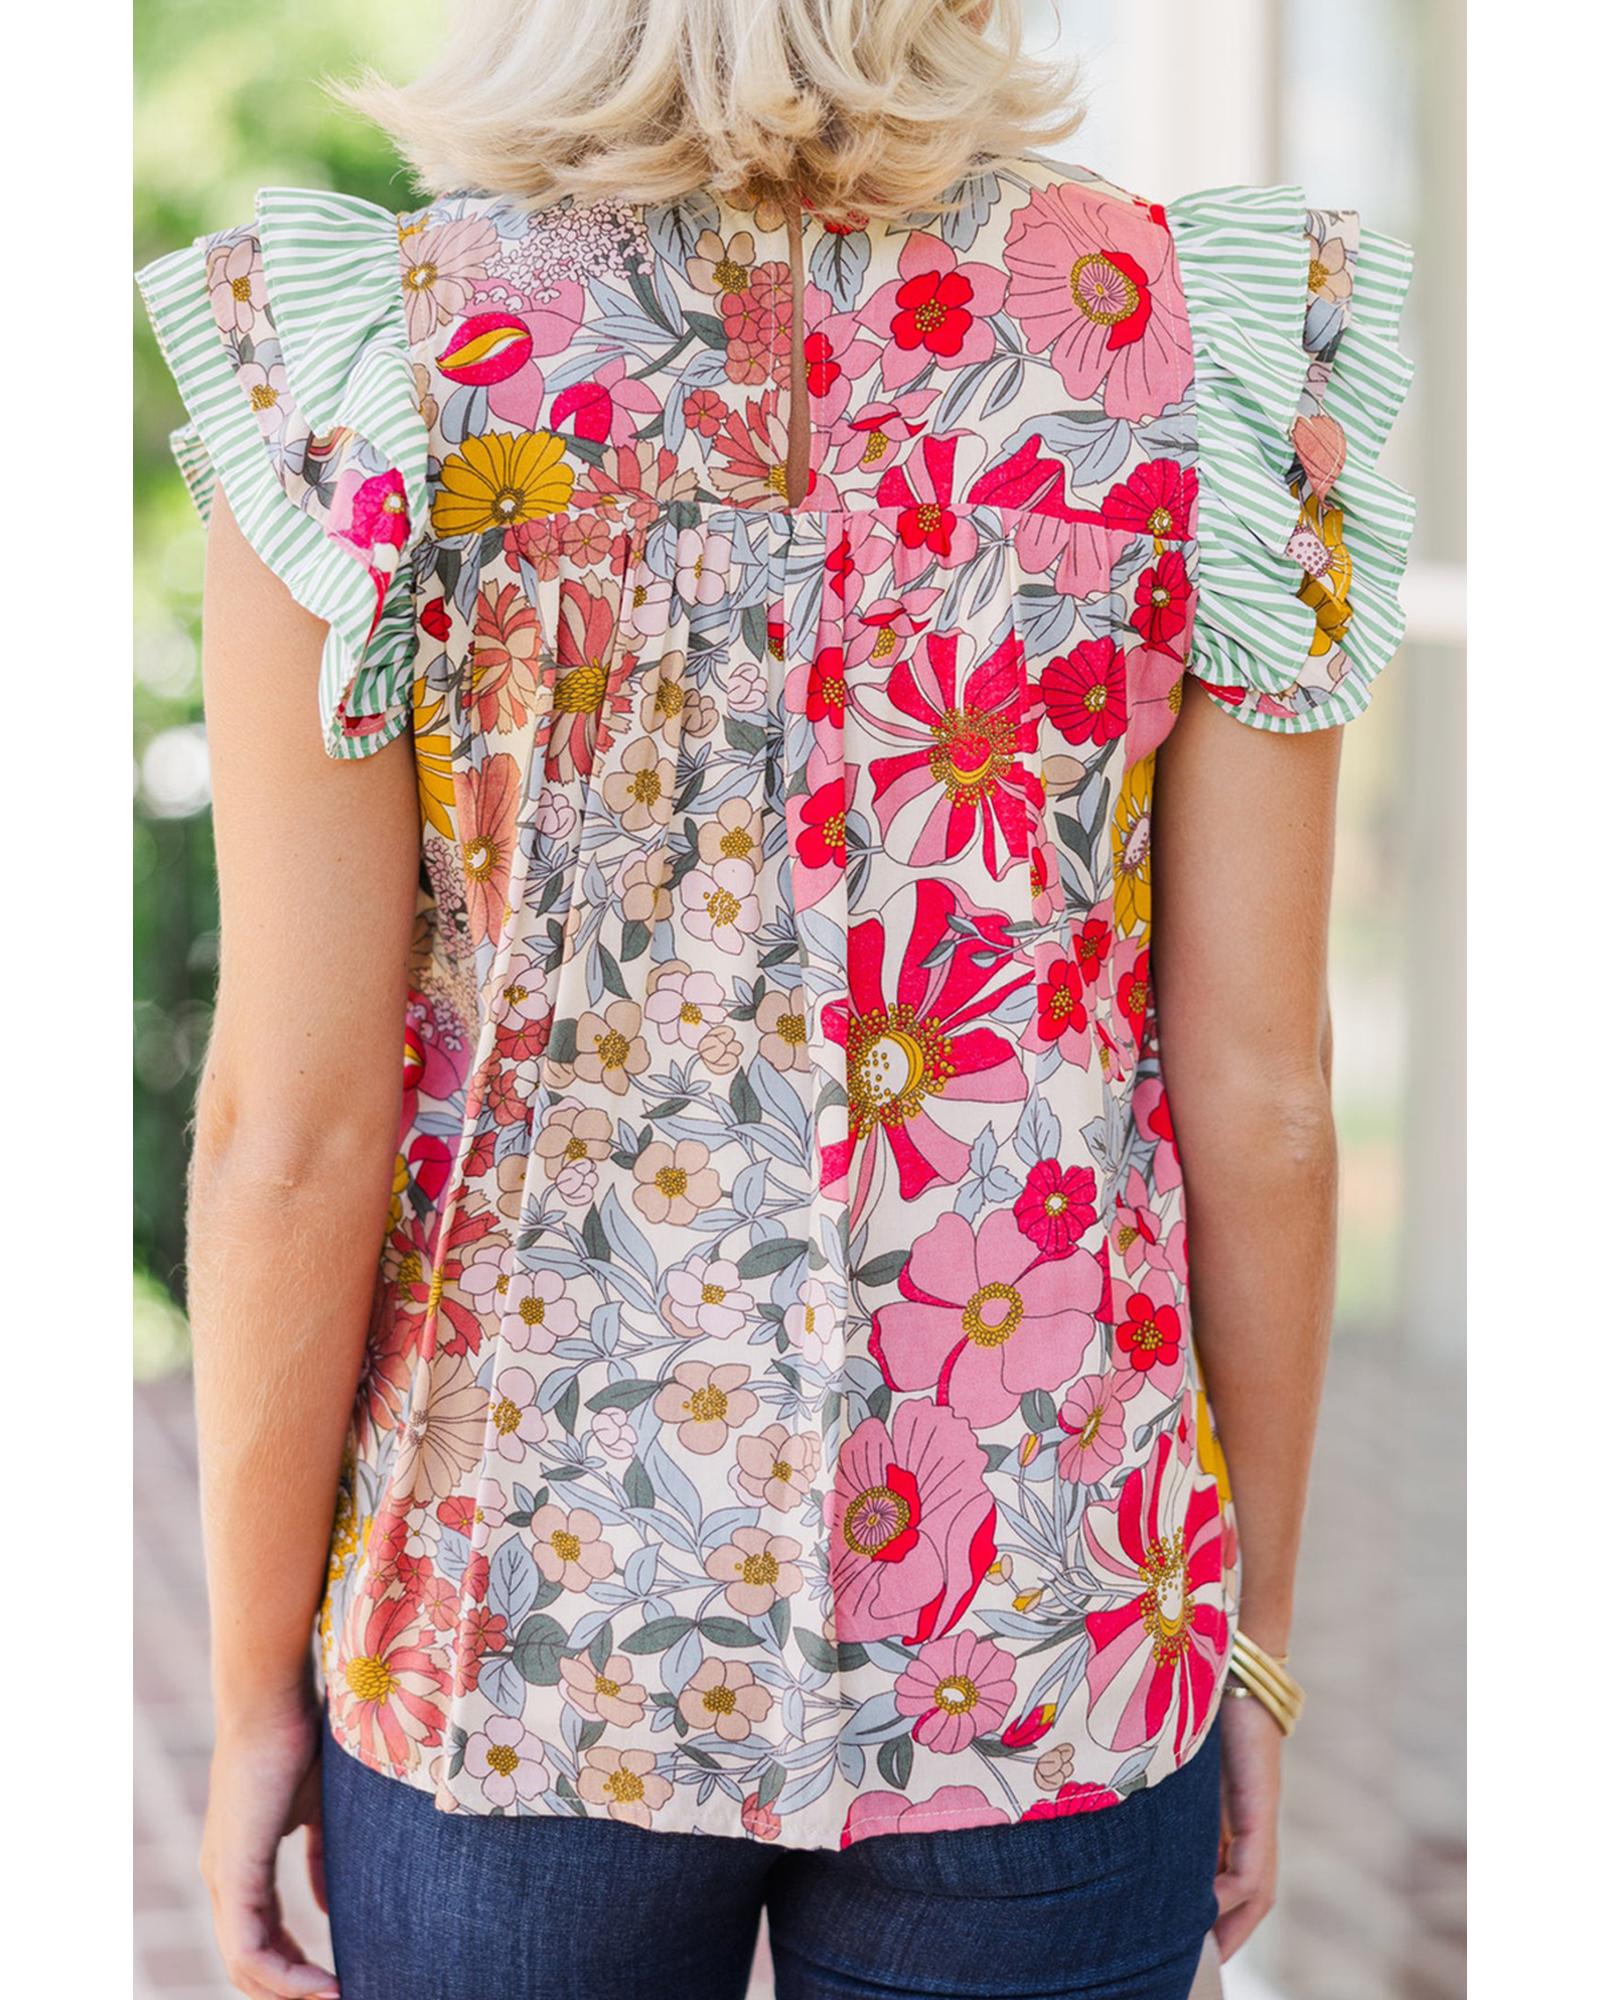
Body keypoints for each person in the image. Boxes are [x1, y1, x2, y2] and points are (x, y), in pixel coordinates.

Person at [134, 3, 1415, 1995]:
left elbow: (285, 1133)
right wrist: (1243, 1636)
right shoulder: (1184, 354)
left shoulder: (370, 365)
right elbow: (1263, 1094)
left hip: (514, 1630)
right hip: (1051, 1621)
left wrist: (247, 1703)